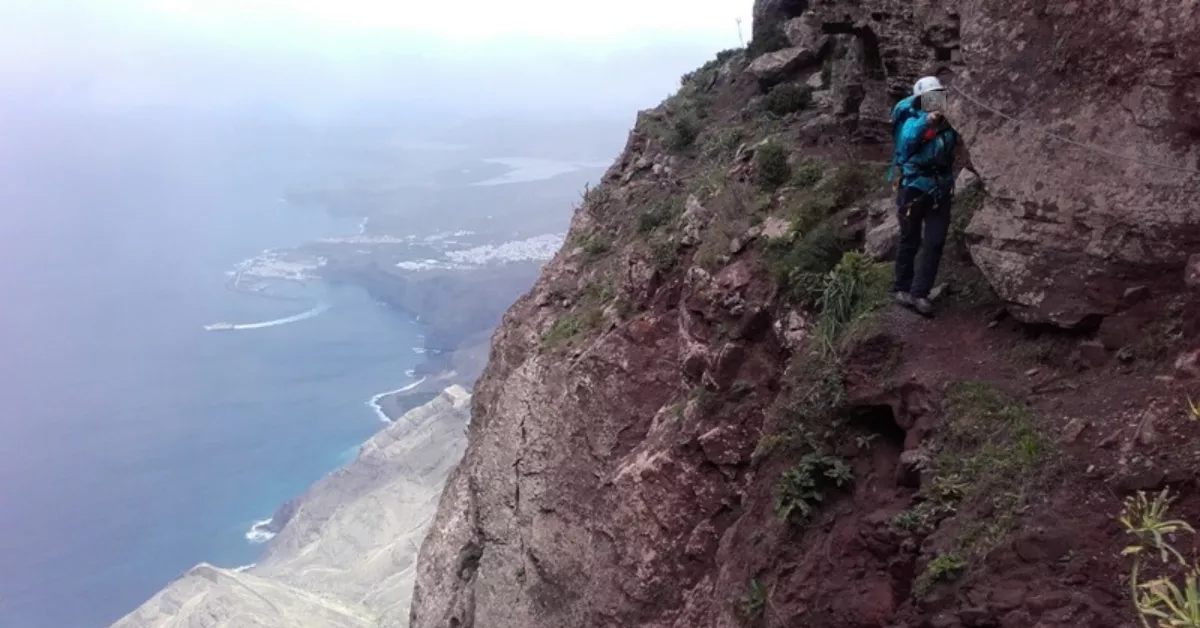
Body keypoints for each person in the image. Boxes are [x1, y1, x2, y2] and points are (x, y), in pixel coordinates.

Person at [888, 76, 964, 316]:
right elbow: (906, 143)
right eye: (929, 98)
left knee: (935, 241)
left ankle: (920, 293)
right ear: (920, 99)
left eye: (938, 96)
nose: (935, 101)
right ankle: (902, 288)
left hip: (940, 186)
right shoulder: (911, 118)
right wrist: (926, 122)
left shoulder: (948, 121)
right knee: (910, 237)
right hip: (913, 186)